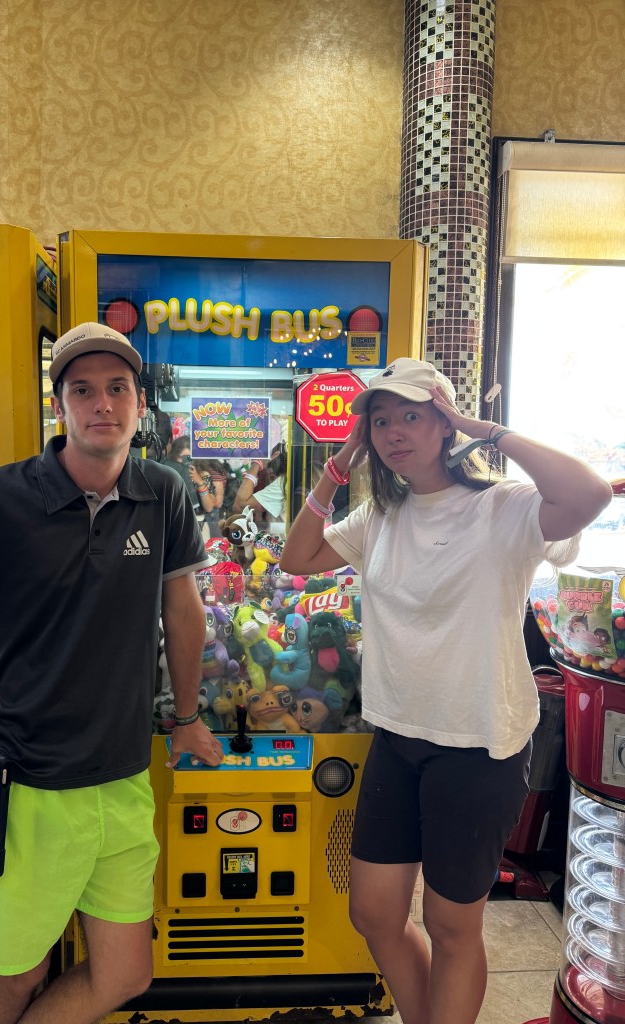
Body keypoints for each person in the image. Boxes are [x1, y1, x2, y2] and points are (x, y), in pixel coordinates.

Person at [0, 321, 224, 1024]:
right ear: (59, 406)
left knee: (125, 974)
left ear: (139, 403)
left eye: (117, 388)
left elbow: (182, 608)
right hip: (25, 785)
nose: (102, 404)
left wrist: (186, 716)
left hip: (122, 780)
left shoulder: (164, 491)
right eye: (82, 390)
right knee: (19, 975)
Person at [279, 357, 612, 1024]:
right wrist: (336, 468)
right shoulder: (379, 515)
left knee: (451, 925)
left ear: (444, 423)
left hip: (479, 745)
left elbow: (590, 494)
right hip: (398, 738)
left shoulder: (503, 507)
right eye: (381, 421)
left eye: (412, 414)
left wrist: (483, 429)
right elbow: (297, 557)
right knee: (375, 912)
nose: (395, 432)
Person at [232, 443, 288, 533]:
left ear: (275, 455)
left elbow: (239, 506)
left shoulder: (284, 481)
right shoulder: (292, 478)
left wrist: (256, 463)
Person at [188, 458, 227, 537]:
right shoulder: (212, 468)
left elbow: (217, 503)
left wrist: (200, 482)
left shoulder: (208, 473)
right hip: (205, 514)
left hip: (209, 515)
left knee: (214, 539)